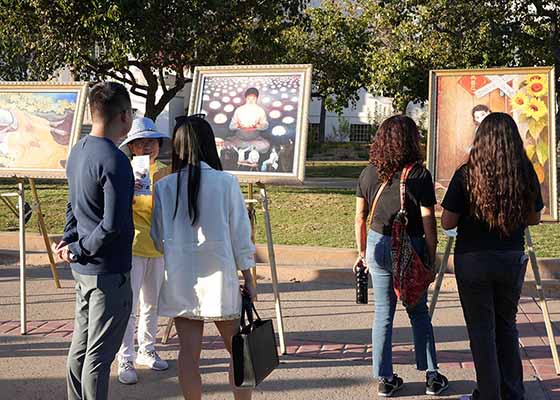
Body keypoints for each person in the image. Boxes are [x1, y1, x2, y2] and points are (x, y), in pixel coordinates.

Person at [150, 115, 256, 400]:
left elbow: (156, 237)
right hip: (221, 278)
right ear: (209, 145)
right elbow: (240, 237)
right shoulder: (226, 182)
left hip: (181, 279)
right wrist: (249, 277)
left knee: (188, 354)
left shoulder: (163, 187)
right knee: (237, 352)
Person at [442, 112, 543, 400]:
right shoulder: (525, 172)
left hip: (472, 259)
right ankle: (512, 392)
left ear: (480, 139)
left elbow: (448, 222)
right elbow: (534, 218)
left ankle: (488, 394)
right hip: (510, 257)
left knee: (482, 330)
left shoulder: (467, 173)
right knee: (507, 327)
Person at [354, 115, 448, 397]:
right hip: (410, 246)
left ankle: (386, 379)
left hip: (376, 244)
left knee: (383, 312)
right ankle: (432, 375)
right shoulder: (419, 174)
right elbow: (428, 219)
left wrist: (361, 253)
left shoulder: (369, 172)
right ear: (411, 141)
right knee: (418, 311)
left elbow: (360, 216)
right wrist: (432, 256)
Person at [54, 82, 135, 400]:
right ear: (125, 116)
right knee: (98, 358)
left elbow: (72, 204)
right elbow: (112, 225)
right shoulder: (116, 161)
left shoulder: (78, 150)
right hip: (108, 271)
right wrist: (77, 247)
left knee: (81, 346)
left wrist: (71, 241)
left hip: (85, 271)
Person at [116, 117, 170, 384]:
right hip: (132, 246)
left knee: (152, 304)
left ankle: (147, 350)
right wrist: (129, 191)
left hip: (159, 246)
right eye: (140, 142)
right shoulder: (123, 171)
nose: (147, 146)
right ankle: (124, 357)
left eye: (151, 141)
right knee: (129, 305)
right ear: (132, 147)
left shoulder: (166, 172)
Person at [226, 87, 270, 153]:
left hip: (254, 140)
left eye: (253, 99)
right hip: (239, 139)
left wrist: (257, 126)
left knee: (265, 145)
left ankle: (244, 149)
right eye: (249, 98)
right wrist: (240, 126)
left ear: (257, 99)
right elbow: (231, 126)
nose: (251, 100)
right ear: (246, 98)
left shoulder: (260, 110)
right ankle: (247, 148)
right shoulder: (239, 110)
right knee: (226, 143)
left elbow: (265, 126)